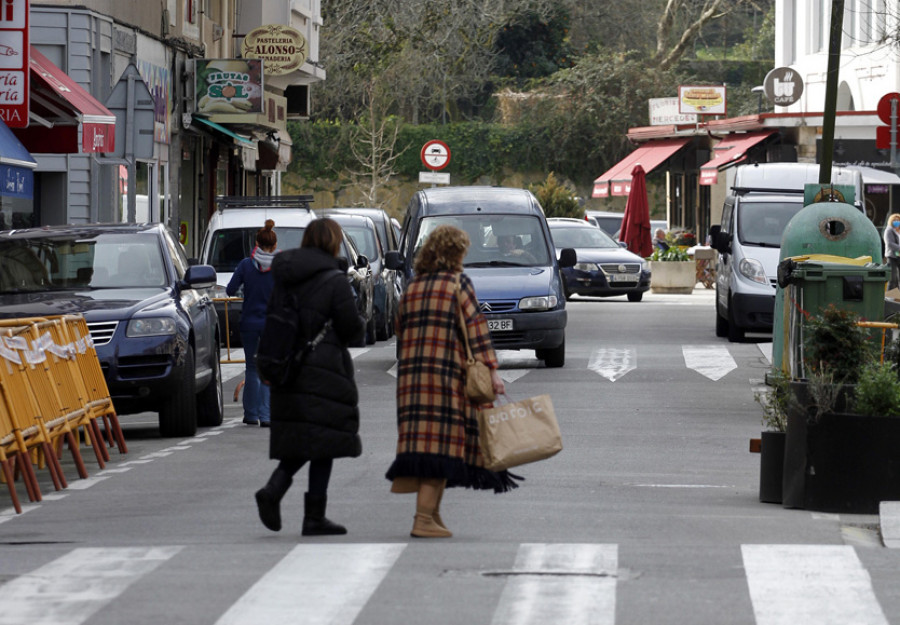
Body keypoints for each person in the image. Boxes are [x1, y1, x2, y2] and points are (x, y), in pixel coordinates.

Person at [386, 224, 519, 539]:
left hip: (411, 382)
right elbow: (476, 330)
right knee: (441, 448)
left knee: (425, 446)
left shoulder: (413, 287)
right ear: (454, 253)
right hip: (446, 380)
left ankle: (432, 515)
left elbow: (399, 329)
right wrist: (493, 373)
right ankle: (422, 518)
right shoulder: (458, 285)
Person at [254, 218, 365, 535]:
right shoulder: (334, 279)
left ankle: (275, 490)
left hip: (288, 367)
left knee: (307, 439)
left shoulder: (285, 276)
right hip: (323, 370)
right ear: (332, 243)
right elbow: (351, 329)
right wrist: (360, 319)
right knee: (324, 441)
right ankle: (312, 515)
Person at [226, 219, 278, 427]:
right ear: (274, 245)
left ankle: (250, 414)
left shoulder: (246, 265)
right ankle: (266, 416)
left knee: (251, 368)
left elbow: (230, 290)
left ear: (256, 243)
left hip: (249, 323)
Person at [885, 213, 900, 291]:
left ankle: (897, 297)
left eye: (898, 220)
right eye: (895, 220)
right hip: (892, 256)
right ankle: (890, 297)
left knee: (897, 280)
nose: (897, 221)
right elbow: (889, 243)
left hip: (899, 256)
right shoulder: (889, 230)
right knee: (893, 278)